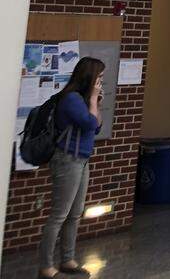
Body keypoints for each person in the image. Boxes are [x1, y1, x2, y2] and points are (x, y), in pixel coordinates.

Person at [37, 57, 104, 279]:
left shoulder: (85, 100)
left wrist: (95, 102)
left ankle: (67, 259)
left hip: (82, 159)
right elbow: (89, 123)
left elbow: (96, 127)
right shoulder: (72, 99)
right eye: (99, 77)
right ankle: (46, 267)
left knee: (75, 213)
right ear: (89, 77)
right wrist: (93, 99)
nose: (100, 82)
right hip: (67, 159)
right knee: (59, 214)